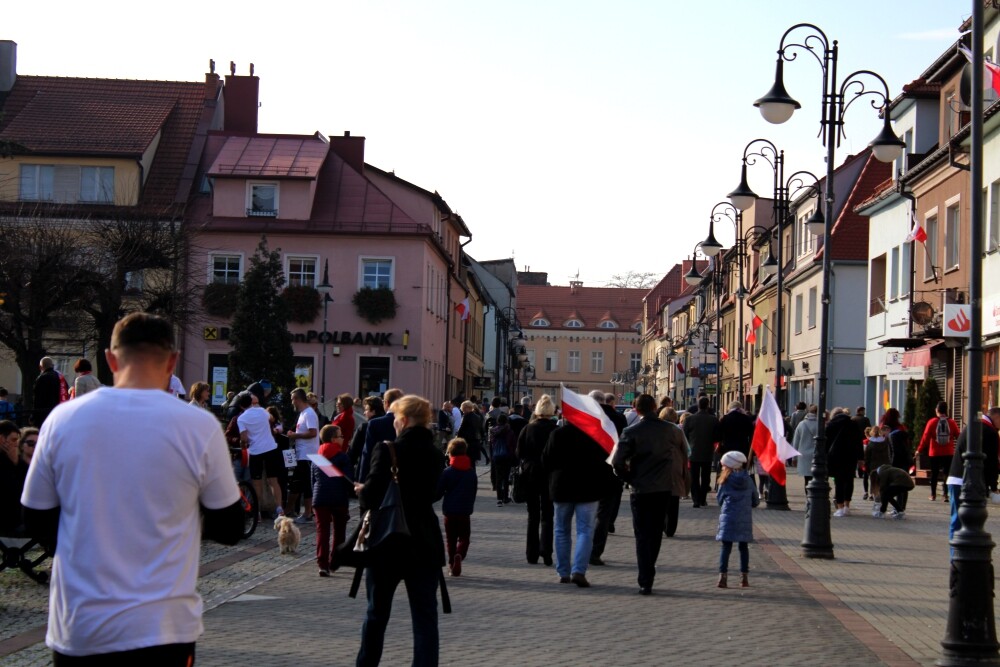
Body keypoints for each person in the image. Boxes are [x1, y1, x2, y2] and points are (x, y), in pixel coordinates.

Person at [21, 312, 242, 664]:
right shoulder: (199, 427)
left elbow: (35, 517)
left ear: (110, 360)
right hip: (162, 626)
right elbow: (230, 526)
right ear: (172, 361)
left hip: (81, 624)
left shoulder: (62, 420)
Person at [353, 394, 445, 667]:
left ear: (403, 420)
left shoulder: (388, 449)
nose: (393, 423)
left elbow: (371, 497)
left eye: (395, 418)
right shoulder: (436, 453)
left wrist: (362, 491)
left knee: (376, 614)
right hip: (424, 540)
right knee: (425, 618)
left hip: (387, 541)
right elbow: (433, 493)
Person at [612, 393, 688, 595]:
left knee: (641, 534)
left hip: (641, 488)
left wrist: (630, 478)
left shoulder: (631, 431)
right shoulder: (670, 430)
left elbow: (617, 462)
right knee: (655, 533)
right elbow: (682, 452)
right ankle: (649, 572)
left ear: (636, 410)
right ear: (655, 407)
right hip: (663, 488)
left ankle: (645, 578)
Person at [542, 411, 609, 588]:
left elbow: (546, 460)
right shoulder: (594, 435)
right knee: (585, 530)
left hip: (562, 487)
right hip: (588, 488)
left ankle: (563, 572)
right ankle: (579, 571)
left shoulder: (557, 434)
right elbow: (604, 460)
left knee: (561, 530)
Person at [516, 394, 558, 566]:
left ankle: (531, 553)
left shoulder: (528, 428)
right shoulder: (555, 429)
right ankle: (546, 552)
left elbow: (519, 452)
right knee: (548, 514)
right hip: (549, 474)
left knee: (533, 515)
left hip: (531, 473)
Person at [947, 408, 1000, 544]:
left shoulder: (972, 426)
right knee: (972, 521)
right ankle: (963, 556)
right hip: (972, 482)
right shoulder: (990, 432)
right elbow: (991, 463)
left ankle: (955, 556)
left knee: (957, 520)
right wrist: (993, 487)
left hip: (954, 478)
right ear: (996, 417)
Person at [237, 391, 286, 519]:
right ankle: (279, 508)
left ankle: (257, 511)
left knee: (256, 482)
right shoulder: (262, 411)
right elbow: (272, 418)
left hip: (255, 451)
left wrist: (243, 443)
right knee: (273, 481)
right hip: (270, 448)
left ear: (241, 406)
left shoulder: (241, 418)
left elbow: (244, 438)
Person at [312, 424, 352, 576]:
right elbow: (348, 479)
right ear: (333, 439)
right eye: (341, 436)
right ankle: (334, 562)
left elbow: (313, 480)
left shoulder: (317, 456)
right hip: (338, 497)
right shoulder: (342, 456)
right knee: (339, 531)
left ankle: (322, 564)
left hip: (320, 497)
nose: (343, 439)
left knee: (322, 531)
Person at [590, 392, 627, 559]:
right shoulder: (619, 418)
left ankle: (586, 548)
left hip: (591, 470)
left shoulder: (589, 417)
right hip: (612, 467)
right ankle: (596, 551)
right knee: (605, 513)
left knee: (588, 512)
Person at [715, 451, 759, 588]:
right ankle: (744, 578)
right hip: (744, 518)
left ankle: (723, 577)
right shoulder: (749, 480)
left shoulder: (725, 480)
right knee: (743, 547)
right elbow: (755, 500)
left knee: (726, 547)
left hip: (728, 518)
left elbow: (719, 499)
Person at [436, 437, 477, 576]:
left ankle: (452, 562)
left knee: (451, 539)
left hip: (450, 510)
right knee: (465, 538)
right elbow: (474, 490)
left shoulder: (447, 472)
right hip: (465, 510)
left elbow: (439, 491)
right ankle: (460, 554)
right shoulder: (471, 472)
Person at [286, 388, 320, 524]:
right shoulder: (302, 414)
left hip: (308, 455)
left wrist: (295, 435)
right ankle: (289, 510)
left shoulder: (309, 414)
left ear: (298, 399)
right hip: (302, 454)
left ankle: (307, 513)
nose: (292, 402)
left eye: (293, 399)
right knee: (297, 483)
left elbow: (313, 433)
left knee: (305, 484)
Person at [916, 401, 959, 502]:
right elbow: (958, 435)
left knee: (934, 474)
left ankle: (933, 494)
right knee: (947, 473)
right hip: (948, 452)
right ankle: (945, 495)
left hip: (934, 452)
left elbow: (925, 437)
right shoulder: (952, 422)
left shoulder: (932, 422)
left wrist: (919, 449)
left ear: (937, 410)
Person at [360, 388, 403, 485]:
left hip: (378, 473)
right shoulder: (407, 422)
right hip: (401, 475)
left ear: (386, 403)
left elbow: (367, 453)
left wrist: (363, 480)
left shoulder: (375, 423)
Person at [827, 407, 865, 517]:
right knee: (849, 480)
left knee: (838, 481)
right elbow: (859, 442)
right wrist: (860, 458)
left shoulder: (831, 425)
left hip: (836, 456)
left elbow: (826, 442)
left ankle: (840, 507)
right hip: (851, 456)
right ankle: (847, 505)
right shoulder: (853, 424)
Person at [683, 396, 720, 508]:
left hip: (693, 452)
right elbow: (717, 437)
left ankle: (696, 500)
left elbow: (684, 436)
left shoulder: (689, 419)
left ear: (698, 405)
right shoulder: (713, 419)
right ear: (708, 405)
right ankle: (703, 499)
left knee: (694, 477)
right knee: (706, 477)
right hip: (707, 452)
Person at [0, 420, 23, 535]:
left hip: (14, 521)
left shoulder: (17, 460)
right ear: (2, 439)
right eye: (13, 440)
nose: (16, 444)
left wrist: (16, 463)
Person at [489, 413, 516, 506]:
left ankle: (499, 499)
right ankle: (505, 497)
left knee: (498, 477)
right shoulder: (510, 431)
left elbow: (491, 444)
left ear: (498, 421)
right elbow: (513, 445)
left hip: (496, 456)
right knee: (506, 477)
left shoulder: (493, 431)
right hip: (507, 456)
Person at [792, 405, 819, 493]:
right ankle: (816, 496)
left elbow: (796, 441)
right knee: (818, 478)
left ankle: (808, 498)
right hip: (817, 454)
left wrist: (794, 457)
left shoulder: (801, 424)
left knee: (807, 479)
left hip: (803, 454)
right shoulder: (820, 424)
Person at [864, 425, 892, 502]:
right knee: (882, 480)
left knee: (874, 480)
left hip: (873, 464)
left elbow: (867, 456)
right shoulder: (885, 442)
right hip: (884, 464)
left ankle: (875, 494)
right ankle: (881, 493)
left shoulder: (870, 444)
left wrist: (866, 465)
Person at [33, 357, 62, 427]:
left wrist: (34, 416)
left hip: (43, 413)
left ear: (40, 367)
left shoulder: (41, 378)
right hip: (57, 412)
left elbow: (37, 399)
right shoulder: (59, 377)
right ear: (52, 365)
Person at [456, 400, 485, 465]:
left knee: (466, 462)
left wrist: (457, 439)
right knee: (472, 463)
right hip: (475, 441)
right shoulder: (477, 417)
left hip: (467, 441)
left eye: (463, 409)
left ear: (466, 408)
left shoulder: (466, 416)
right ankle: (472, 474)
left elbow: (461, 429)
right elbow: (480, 429)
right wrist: (482, 438)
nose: (463, 411)